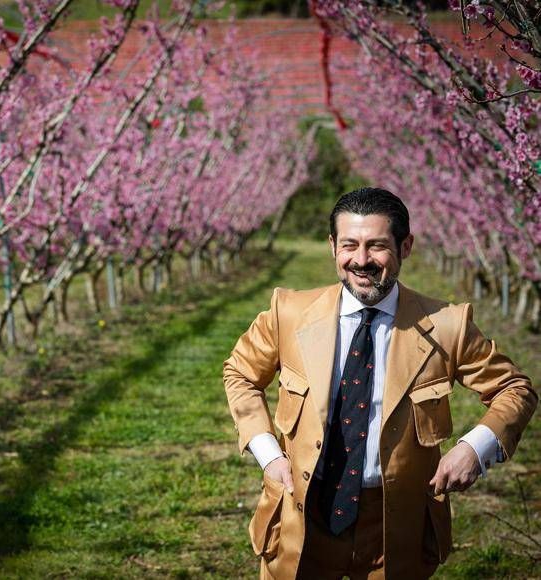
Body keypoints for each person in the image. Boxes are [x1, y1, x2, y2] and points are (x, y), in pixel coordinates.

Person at [223, 188, 537, 580]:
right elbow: (240, 373)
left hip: (395, 527)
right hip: (302, 514)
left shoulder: (447, 325)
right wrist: (269, 454)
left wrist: (475, 449)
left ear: (406, 247)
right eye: (349, 245)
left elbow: (515, 389)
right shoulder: (288, 312)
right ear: (332, 247)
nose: (361, 260)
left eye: (377, 246)